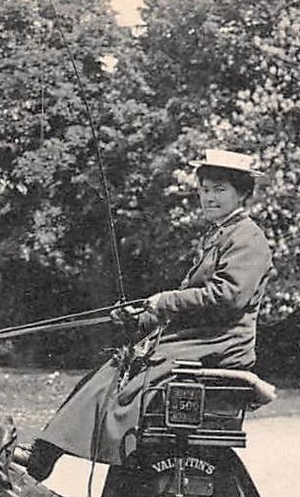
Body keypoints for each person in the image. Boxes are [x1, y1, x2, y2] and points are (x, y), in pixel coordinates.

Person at [20, 148, 274, 480]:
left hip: (220, 344)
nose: (210, 197)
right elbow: (193, 304)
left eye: (220, 189)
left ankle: (46, 457)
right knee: (117, 365)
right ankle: (46, 453)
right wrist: (141, 317)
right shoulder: (221, 235)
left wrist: (164, 302)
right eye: (205, 189)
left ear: (242, 193)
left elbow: (228, 297)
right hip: (200, 338)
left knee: (127, 376)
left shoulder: (248, 239)